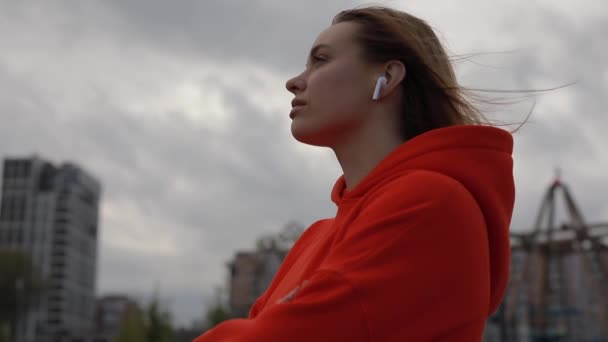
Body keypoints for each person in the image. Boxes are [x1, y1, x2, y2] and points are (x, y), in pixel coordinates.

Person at [195, 6, 515, 341]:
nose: (294, 82)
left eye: (320, 60)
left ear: (387, 78)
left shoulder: (430, 203)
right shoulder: (314, 240)